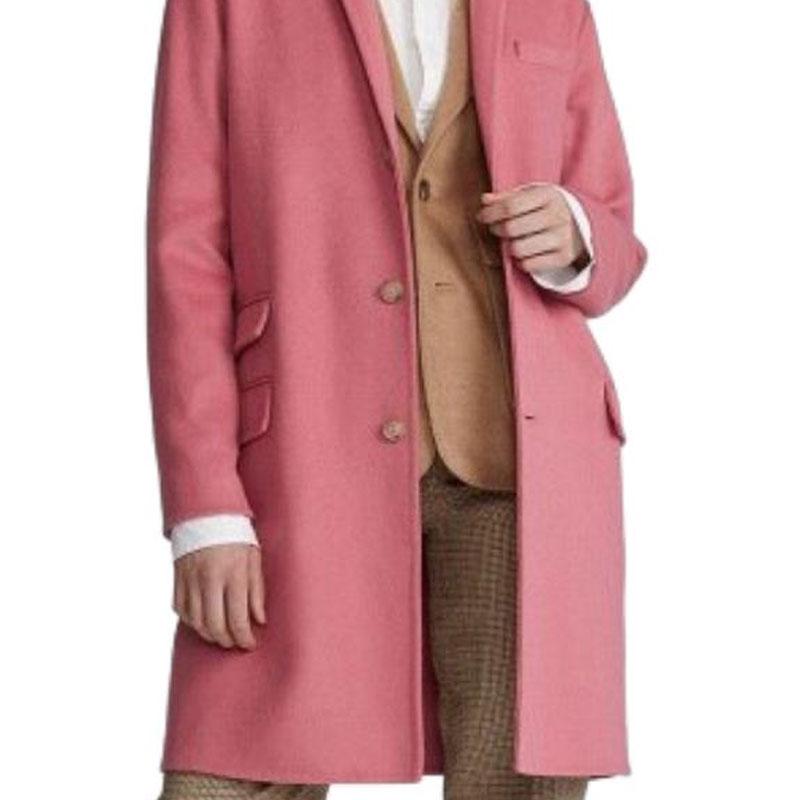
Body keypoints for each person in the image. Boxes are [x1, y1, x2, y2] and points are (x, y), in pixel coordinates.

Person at [147, 0, 646, 798]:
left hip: (519, 466)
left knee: (515, 779)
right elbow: (188, 257)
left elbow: (614, 227)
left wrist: (577, 232)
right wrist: (205, 507)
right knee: (229, 770)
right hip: (302, 458)